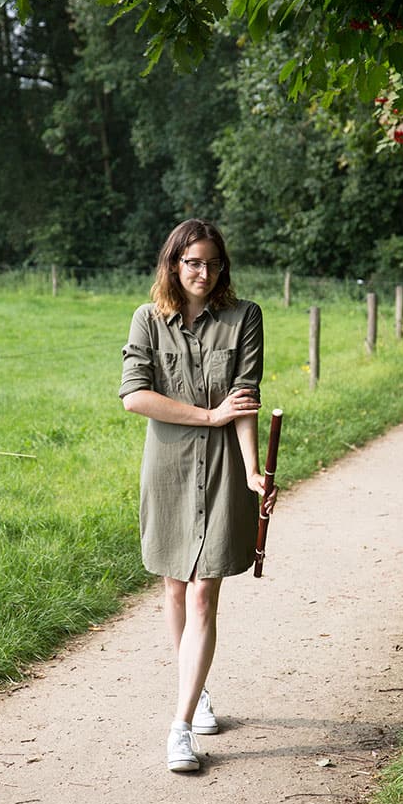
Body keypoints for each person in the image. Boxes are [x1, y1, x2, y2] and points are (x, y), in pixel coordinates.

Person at [119, 218, 274, 774]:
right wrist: (209, 416)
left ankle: (180, 727)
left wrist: (254, 473)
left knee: (205, 591)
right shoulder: (148, 320)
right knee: (175, 591)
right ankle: (198, 687)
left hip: (226, 471)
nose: (203, 273)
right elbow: (135, 397)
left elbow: (245, 401)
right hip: (167, 470)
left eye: (211, 263)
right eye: (192, 263)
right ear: (173, 265)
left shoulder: (245, 317)